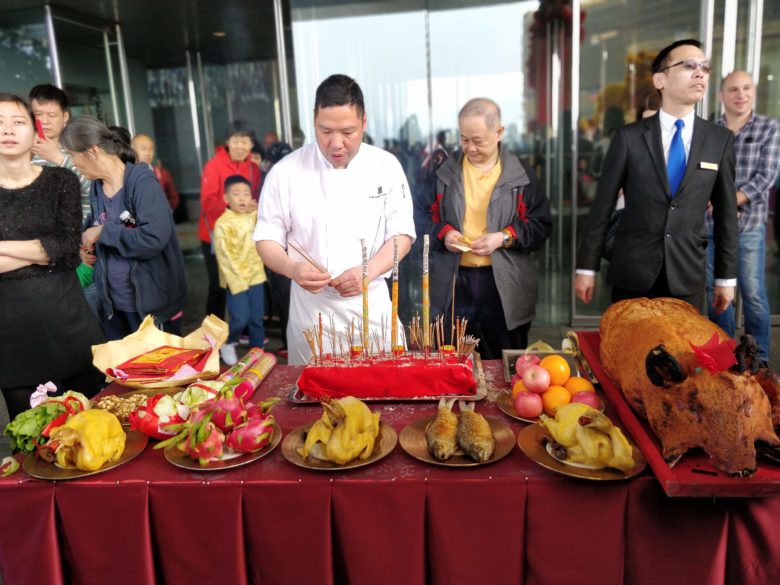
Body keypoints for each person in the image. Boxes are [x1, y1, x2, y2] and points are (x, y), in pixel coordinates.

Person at [254, 74, 415, 364]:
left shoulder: (385, 165)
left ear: (364, 122)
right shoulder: (286, 171)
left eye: (348, 132)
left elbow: (402, 235)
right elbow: (267, 239)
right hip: (312, 313)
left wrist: (369, 271)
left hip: (372, 308)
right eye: (325, 131)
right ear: (313, 120)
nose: (336, 143)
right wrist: (293, 268)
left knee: (384, 393)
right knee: (313, 400)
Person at [575, 39, 738, 312]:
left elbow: (726, 215)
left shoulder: (718, 140)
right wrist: (586, 268)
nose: (700, 73)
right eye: (688, 65)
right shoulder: (629, 138)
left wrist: (726, 277)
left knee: (684, 353)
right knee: (631, 351)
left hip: (687, 275)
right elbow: (601, 209)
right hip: (633, 273)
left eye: (705, 68)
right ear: (660, 80)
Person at [417, 98, 552, 358]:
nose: (470, 148)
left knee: (506, 364)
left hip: (503, 284)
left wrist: (503, 237)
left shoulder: (520, 175)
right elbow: (419, 217)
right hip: (455, 283)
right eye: (464, 139)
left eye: (478, 140)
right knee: (453, 362)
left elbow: (540, 225)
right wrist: (443, 234)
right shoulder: (443, 172)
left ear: (499, 132)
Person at [0, 94, 104, 419]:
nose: (8, 130)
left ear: (35, 132)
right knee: (31, 440)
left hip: (69, 321)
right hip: (12, 333)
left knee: (96, 424)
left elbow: (66, 246)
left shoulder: (62, 181)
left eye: (18, 122)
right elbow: (54, 248)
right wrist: (45, 251)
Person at [61, 116, 188, 340]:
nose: (73, 163)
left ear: (92, 152)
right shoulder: (97, 187)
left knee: (156, 371)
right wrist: (86, 238)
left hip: (149, 307)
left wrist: (102, 232)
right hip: (114, 304)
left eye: (72, 155)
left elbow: (152, 238)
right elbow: (103, 220)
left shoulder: (142, 183)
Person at [705, 70, 779, 363]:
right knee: (716, 294)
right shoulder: (710, 131)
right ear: (721, 95)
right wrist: (714, 200)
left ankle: (758, 361)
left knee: (753, 294)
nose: (741, 94)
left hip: (748, 227)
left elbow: (768, 176)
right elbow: (701, 174)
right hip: (711, 228)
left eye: (747, 88)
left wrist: (728, 199)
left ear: (754, 93)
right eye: (733, 89)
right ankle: (725, 358)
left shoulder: (768, 129)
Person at [199, 120, 262, 320]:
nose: (240, 146)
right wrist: (235, 206)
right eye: (236, 140)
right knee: (219, 285)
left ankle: (241, 328)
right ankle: (212, 336)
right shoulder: (214, 166)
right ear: (227, 141)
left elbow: (257, 198)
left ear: (252, 145)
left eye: (245, 141)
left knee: (245, 281)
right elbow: (207, 202)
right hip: (215, 236)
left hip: (243, 237)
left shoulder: (254, 169)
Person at [213, 175, 267, 365]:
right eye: (236, 194)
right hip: (236, 279)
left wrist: (257, 211)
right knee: (240, 318)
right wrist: (238, 282)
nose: (242, 198)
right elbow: (224, 257)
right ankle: (229, 342)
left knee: (256, 319)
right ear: (226, 198)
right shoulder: (223, 223)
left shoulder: (253, 217)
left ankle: (258, 350)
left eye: (246, 194)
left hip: (256, 276)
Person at [131, 133, 180, 211]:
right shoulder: (126, 175)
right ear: (132, 150)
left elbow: (173, 197)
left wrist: (165, 211)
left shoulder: (162, 174)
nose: (147, 153)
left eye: (151, 149)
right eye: (143, 148)